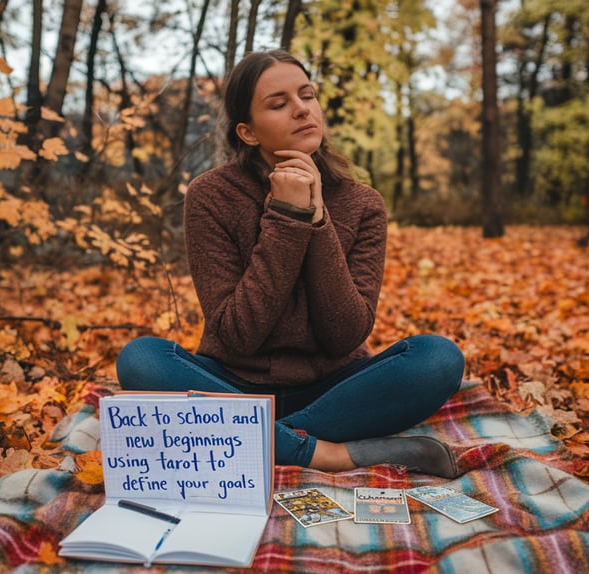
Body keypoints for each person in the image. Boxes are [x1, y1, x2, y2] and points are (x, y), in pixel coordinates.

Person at [116, 49, 464, 478]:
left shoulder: (362, 203)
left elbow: (345, 334)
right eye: (278, 104)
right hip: (232, 384)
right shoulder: (211, 196)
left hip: (338, 390)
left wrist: (316, 220)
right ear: (247, 132)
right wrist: (285, 217)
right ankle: (326, 454)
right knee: (141, 360)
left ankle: (243, 437)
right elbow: (238, 335)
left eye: (307, 95)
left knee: (438, 358)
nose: (301, 109)